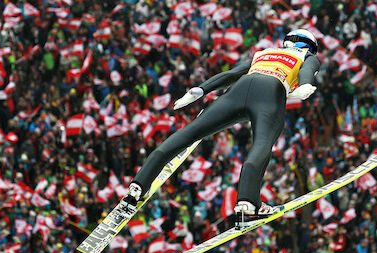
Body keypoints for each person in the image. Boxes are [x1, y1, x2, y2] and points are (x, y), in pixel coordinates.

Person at [124, 29, 321, 226]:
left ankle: (139, 184)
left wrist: (201, 89)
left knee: (190, 133)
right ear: (310, 46)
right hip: (271, 91)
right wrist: (305, 85)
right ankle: (248, 202)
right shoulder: (307, 55)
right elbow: (307, 72)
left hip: (238, 90)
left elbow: (232, 74)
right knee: (262, 144)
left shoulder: (265, 52)